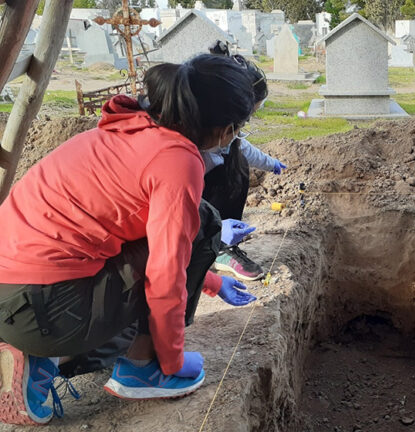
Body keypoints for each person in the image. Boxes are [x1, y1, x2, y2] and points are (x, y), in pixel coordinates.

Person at [0, 54, 260, 425]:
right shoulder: (177, 162)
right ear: (226, 129)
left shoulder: (125, 128)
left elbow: (125, 237)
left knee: (179, 231)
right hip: (46, 307)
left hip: (12, 293)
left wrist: (213, 281)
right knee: (204, 220)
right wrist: (171, 359)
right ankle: (142, 368)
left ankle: (35, 355)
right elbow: (166, 274)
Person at [200, 41, 287, 282]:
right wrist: (211, 231)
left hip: (192, 210)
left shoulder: (220, 135)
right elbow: (177, 206)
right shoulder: (186, 152)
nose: (241, 127)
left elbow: (241, 146)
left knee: (236, 162)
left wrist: (271, 164)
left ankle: (220, 245)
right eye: (243, 119)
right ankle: (214, 246)